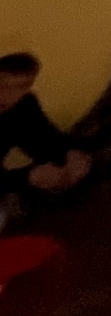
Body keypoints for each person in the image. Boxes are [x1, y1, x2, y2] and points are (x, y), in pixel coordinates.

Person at [0, 52, 90, 205]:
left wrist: (72, 153)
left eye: (20, 87)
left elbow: (46, 138)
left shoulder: (23, 106)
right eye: (2, 86)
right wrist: (26, 177)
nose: (7, 95)